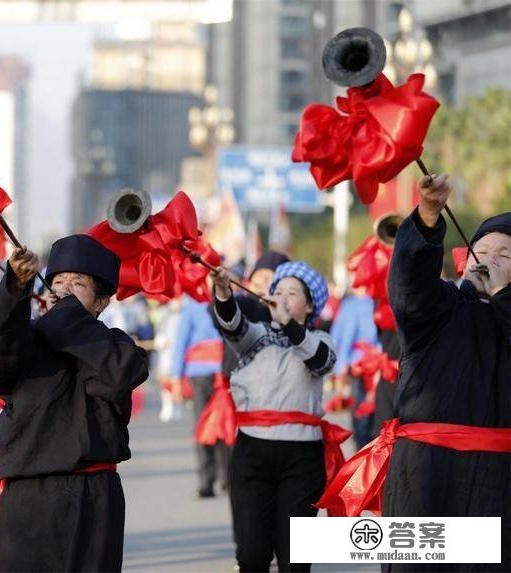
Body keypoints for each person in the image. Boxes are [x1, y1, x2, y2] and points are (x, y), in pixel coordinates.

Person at [317, 175, 510, 571]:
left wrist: (504, 295)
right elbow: (409, 286)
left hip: (498, 479)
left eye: (505, 254)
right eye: (482, 249)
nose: (488, 258)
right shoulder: (439, 307)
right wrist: (426, 216)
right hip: (424, 472)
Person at [0, 235, 149, 573]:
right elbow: (0, 340)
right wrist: (14, 285)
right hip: (28, 495)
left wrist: (66, 317)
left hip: (93, 495)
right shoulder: (27, 341)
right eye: (58, 280)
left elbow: (120, 374)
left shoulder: (116, 345)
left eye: (78, 284)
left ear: (102, 302)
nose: (65, 288)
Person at [212, 261, 343, 573]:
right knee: (252, 555)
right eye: (278, 291)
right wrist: (222, 292)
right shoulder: (255, 336)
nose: (283, 297)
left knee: (294, 559)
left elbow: (321, 362)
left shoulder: (321, 340)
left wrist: (289, 325)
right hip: (252, 452)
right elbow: (233, 324)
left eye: (293, 293)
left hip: (302, 458)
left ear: (310, 305)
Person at [171, 294, 228, 498]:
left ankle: (224, 478)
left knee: (224, 425)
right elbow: (181, 340)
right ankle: (210, 480)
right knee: (205, 426)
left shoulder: (227, 298)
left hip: (224, 372)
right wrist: (176, 377)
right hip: (202, 373)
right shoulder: (193, 304)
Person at [329, 288, 379, 448]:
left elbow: (341, 335)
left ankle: (362, 445)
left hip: (357, 363)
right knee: (370, 406)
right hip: (374, 362)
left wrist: (340, 364)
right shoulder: (376, 301)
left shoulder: (350, 305)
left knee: (359, 407)